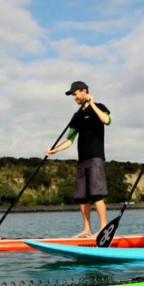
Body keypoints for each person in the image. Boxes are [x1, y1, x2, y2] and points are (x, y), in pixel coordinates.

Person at [45, 81, 111, 238]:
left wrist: (92, 104)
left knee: (97, 195)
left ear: (84, 91)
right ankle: (87, 229)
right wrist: (55, 150)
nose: (74, 97)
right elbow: (69, 140)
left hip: (96, 157)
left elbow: (107, 121)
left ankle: (103, 228)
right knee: (82, 197)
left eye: (75, 94)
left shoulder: (100, 107)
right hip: (82, 160)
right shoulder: (76, 116)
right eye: (72, 95)